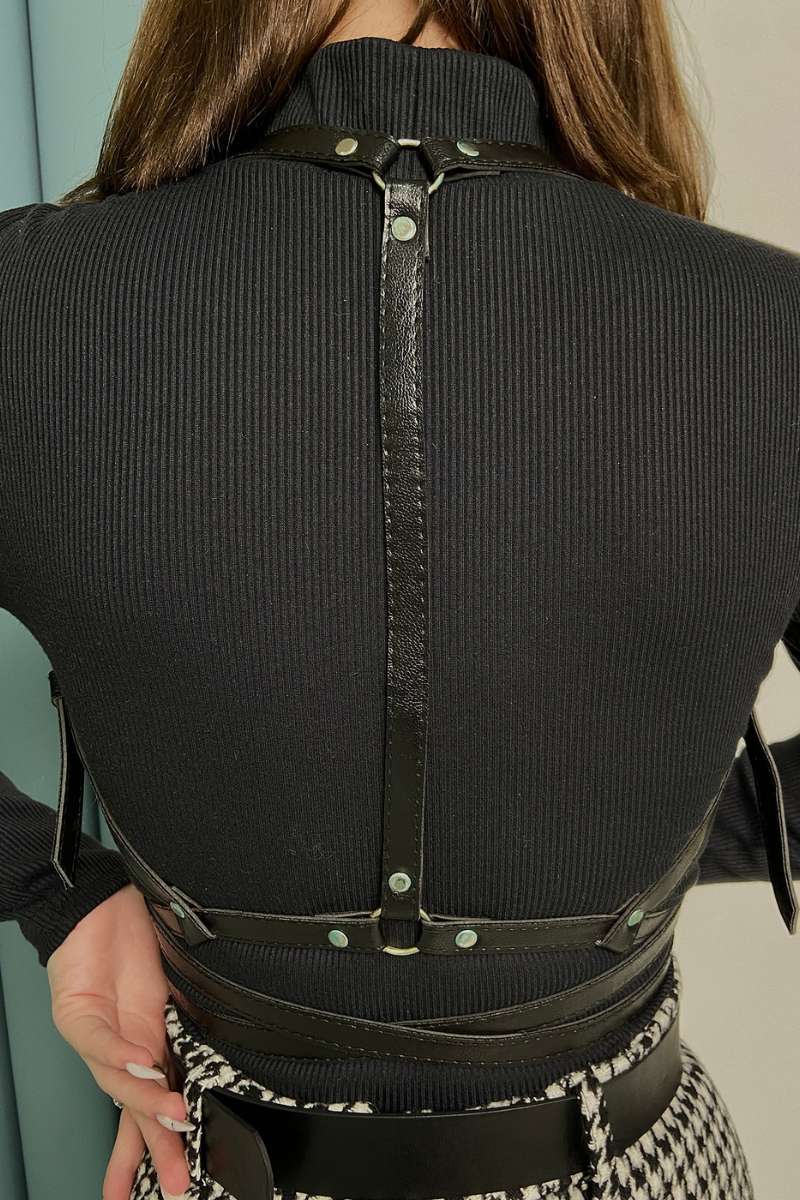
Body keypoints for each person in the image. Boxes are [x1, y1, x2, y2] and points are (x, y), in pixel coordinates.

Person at [1, 1, 798, 1198]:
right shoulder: (772, 326)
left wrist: (53, 890)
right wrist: (646, 842)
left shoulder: (26, 296)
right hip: (643, 1165)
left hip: (216, 1162)